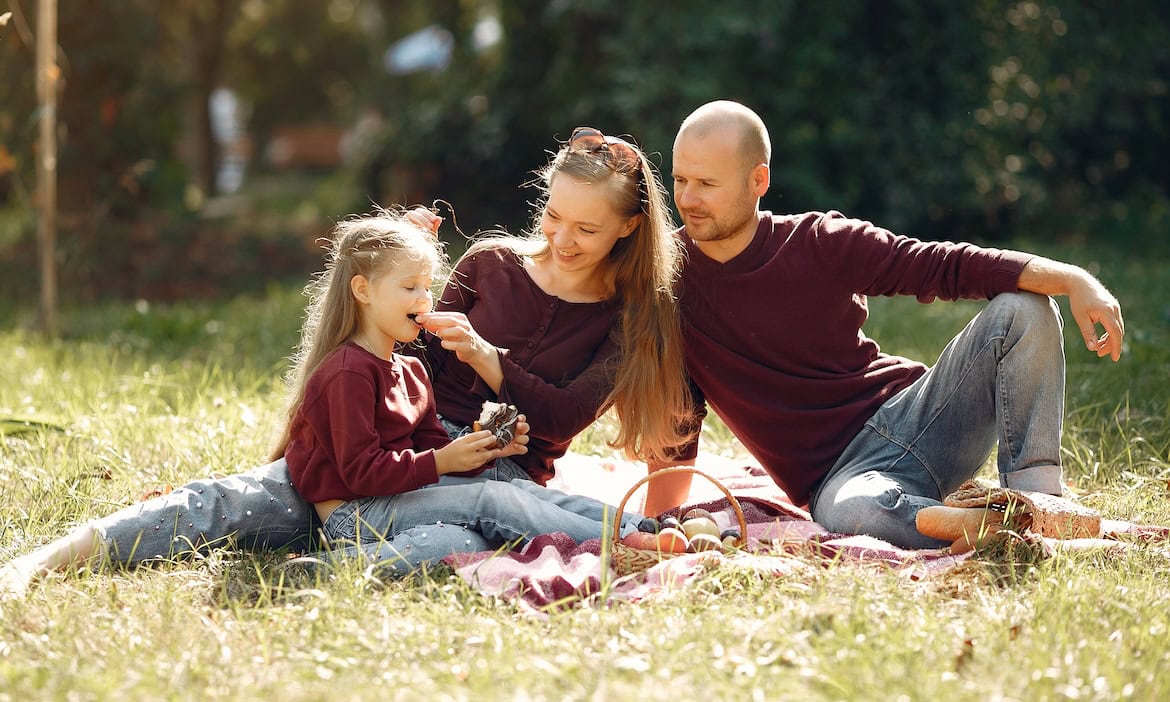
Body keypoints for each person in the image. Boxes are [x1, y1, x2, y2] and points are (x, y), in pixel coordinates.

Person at [1, 125, 691, 591]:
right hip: (390, 438)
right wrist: (400, 265)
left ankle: (319, 567)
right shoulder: (491, 261)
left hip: (488, 463)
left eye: (587, 228)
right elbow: (394, 351)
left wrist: (487, 358)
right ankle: (54, 557)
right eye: (553, 219)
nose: (563, 239)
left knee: (463, 527)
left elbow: (562, 419)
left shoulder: (630, 316)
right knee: (232, 502)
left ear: (629, 228)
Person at [642, 99, 1125, 549]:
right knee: (854, 516)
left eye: (707, 184)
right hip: (840, 478)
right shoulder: (669, 282)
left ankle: (1040, 502)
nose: (688, 198)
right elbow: (676, 416)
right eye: (680, 180)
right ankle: (989, 525)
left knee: (1025, 308)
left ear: (758, 180)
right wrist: (659, 526)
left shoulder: (820, 242)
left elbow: (942, 265)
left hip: (920, 418)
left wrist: (1073, 279)